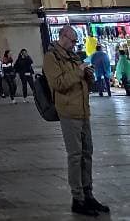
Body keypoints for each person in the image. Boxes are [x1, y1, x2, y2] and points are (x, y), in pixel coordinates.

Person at [44, 24, 109, 216]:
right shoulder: (51, 58)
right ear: (63, 36)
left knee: (87, 153)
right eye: (72, 41)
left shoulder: (73, 56)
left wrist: (87, 76)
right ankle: (78, 198)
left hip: (83, 111)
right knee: (75, 156)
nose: (74, 44)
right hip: (68, 113)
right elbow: (58, 84)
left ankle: (88, 194)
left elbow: (78, 81)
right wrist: (79, 72)